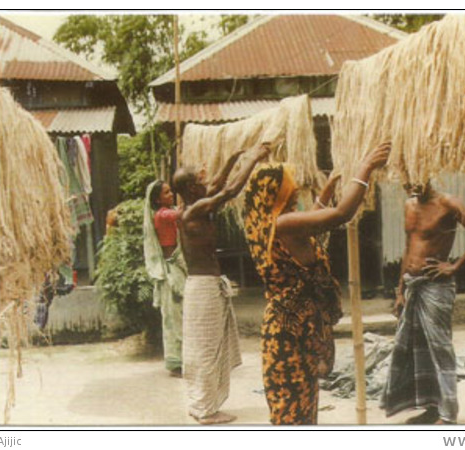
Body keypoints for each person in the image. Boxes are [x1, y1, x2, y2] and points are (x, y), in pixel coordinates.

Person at [243, 142, 391, 425]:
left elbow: (310, 224)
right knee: (294, 411)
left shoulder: (272, 224)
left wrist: (328, 189)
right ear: (278, 191)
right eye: (290, 184)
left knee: (302, 405)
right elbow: (339, 216)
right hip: (290, 334)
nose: (296, 186)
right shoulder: (284, 224)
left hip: (293, 329)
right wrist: (365, 168)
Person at [380, 180, 465, 425]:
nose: (412, 184)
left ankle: (448, 414)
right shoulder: (409, 205)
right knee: (417, 349)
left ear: (428, 174)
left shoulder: (447, 203)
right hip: (412, 285)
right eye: (407, 179)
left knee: (439, 348)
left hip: (436, 287)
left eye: (418, 178)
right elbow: (408, 248)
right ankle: (432, 408)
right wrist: (399, 291)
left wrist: (454, 267)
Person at [173, 145, 269, 425]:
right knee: (205, 349)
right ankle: (205, 410)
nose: (207, 183)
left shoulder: (192, 206)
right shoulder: (194, 211)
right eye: (200, 181)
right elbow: (227, 192)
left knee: (208, 347)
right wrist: (250, 161)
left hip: (204, 286)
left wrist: (231, 157)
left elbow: (216, 185)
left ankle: (203, 404)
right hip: (203, 288)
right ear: (192, 189)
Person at [143, 180, 187, 377]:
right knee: (174, 316)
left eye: (171, 191)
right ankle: (176, 362)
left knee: (180, 314)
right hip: (171, 269)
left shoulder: (169, 212)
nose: (171, 194)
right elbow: (183, 214)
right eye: (167, 192)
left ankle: (184, 358)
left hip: (177, 266)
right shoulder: (163, 215)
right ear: (158, 198)